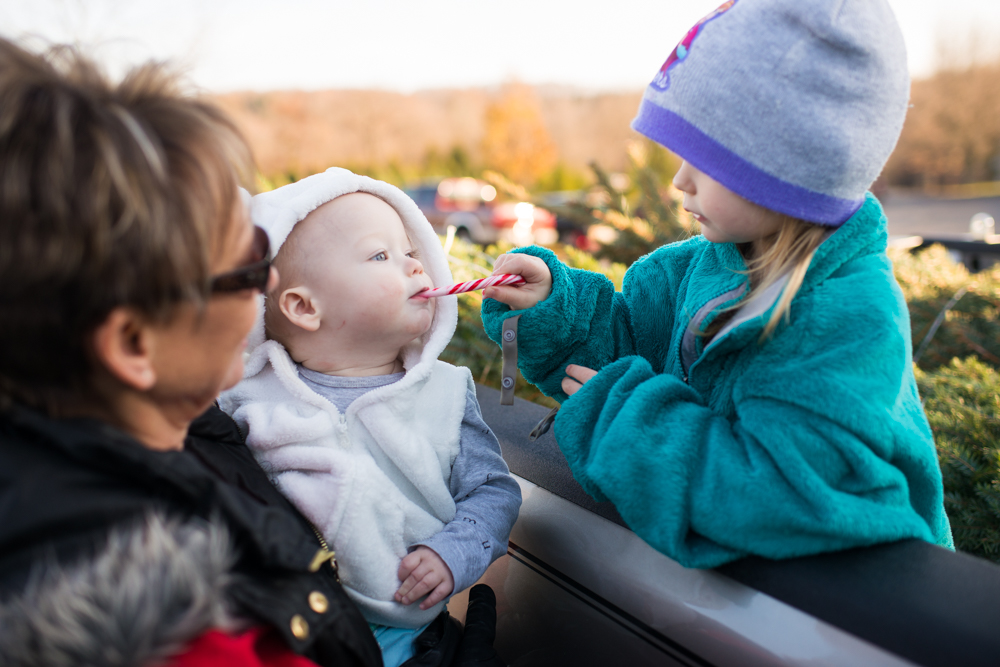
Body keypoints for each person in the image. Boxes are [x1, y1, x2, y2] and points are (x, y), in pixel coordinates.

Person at [480, 0, 953, 569]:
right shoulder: (701, 266)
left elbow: (780, 498)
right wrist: (555, 309)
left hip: (853, 628)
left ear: (782, 168)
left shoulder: (848, 319)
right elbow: (627, 349)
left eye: (703, 160)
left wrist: (625, 421)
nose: (679, 180)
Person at [0, 39, 384, 666]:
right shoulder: (192, 641)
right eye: (247, 263)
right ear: (133, 344)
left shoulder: (171, 441)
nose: (271, 282)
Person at [219, 168, 521, 667]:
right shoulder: (246, 396)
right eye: (381, 255)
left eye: (411, 251)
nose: (414, 267)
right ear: (303, 306)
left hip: (409, 638)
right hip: (290, 633)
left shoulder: (443, 395)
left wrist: (455, 551)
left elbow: (494, 490)